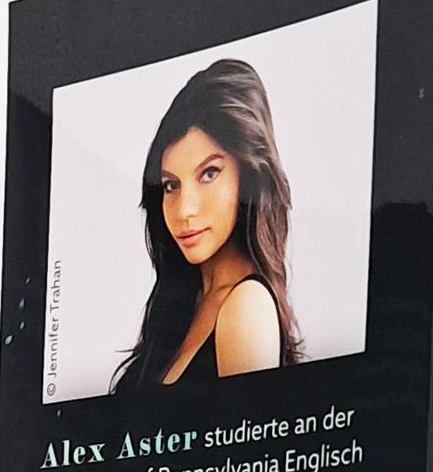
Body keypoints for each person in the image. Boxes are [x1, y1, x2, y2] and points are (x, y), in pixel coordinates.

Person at [111, 58, 303, 391]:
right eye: (171, 185)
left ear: (249, 176)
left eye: (209, 173)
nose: (185, 210)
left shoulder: (246, 307)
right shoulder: (182, 303)